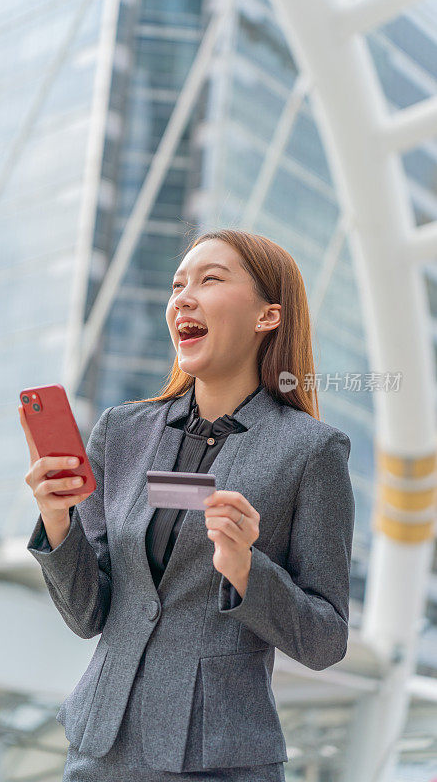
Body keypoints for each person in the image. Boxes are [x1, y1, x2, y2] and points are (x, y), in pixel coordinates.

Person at [20, 229, 355, 781]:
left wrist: (247, 569)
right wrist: (58, 525)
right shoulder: (123, 431)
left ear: (267, 317)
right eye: (178, 285)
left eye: (210, 279)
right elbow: (88, 614)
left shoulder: (311, 451)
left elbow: (325, 641)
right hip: (102, 752)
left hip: (219, 758)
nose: (183, 297)